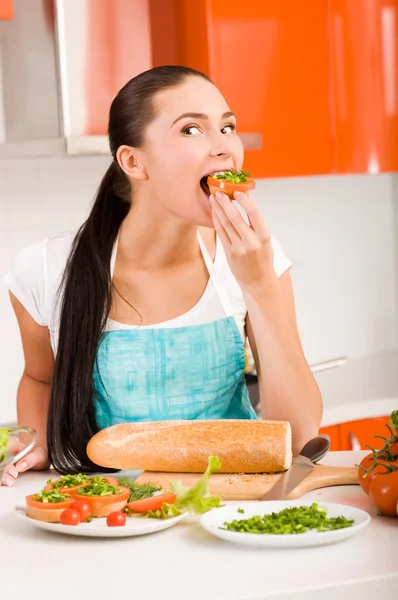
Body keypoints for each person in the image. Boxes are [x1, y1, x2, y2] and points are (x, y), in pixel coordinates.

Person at [2, 66, 322, 487]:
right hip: (109, 512)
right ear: (133, 161)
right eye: (192, 130)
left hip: (233, 508)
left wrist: (259, 284)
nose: (224, 147)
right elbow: (40, 377)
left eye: (228, 127)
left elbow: (299, 441)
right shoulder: (46, 270)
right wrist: (38, 439)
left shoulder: (255, 259)